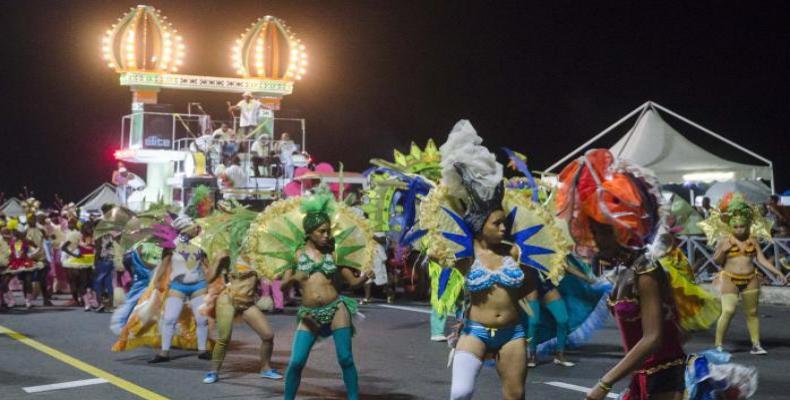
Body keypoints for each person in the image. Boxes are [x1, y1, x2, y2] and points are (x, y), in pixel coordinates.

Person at [418, 121, 566, 400]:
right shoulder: (466, 254)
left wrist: (530, 271)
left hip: (512, 334)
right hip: (474, 332)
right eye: (496, 223)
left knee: (515, 395)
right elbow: (437, 263)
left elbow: (525, 291)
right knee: (460, 393)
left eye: (504, 223)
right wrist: (434, 255)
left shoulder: (514, 252)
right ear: (479, 224)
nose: (503, 228)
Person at [556, 148, 686, 400]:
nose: (595, 239)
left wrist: (604, 384)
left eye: (602, 231)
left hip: (663, 379)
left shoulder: (646, 270)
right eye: (592, 230)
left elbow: (653, 338)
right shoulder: (627, 270)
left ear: (623, 228)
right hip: (643, 375)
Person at [246, 189, 376, 400]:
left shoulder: (334, 252)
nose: (327, 235)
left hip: (336, 309)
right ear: (309, 232)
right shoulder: (296, 254)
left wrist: (365, 277)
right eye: (322, 232)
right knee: (296, 362)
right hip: (309, 314)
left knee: (345, 359)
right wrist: (295, 278)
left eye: (328, 231)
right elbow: (283, 287)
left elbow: (352, 283)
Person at [702, 193, 787, 354]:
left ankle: (756, 345)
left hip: (751, 278)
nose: (739, 229)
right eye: (736, 227)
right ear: (730, 226)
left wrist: (778, 272)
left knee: (753, 312)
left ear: (748, 225)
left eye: (742, 226)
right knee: (728, 310)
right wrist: (723, 251)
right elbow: (717, 261)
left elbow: (761, 259)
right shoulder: (725, 240)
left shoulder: (752, 240)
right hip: (729, 278)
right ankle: (718, 344)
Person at [148, 216, 211, 363]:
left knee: (202, 320)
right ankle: (164, 353)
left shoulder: (201, 244)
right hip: (177, 286)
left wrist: (217, 276)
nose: (197, 228)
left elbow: (208, 264)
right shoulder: (171, 245)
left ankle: (203, 350)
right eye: (194, 226)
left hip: (199, 285)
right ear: (185, 229)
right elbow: (164, 264)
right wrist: (157, 280)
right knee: (169, 319)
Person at [61, 219, 99, 311]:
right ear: (84, 229)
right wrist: (75, 255)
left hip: (92, 261)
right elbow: (63, 247)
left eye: (91, 228)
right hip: (81, 262)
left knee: (92, 283)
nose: (90, 230)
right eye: (88, 228)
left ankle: (94, 302)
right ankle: (87, 304)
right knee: (83, 284)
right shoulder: (77, 236)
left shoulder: (95, 237)